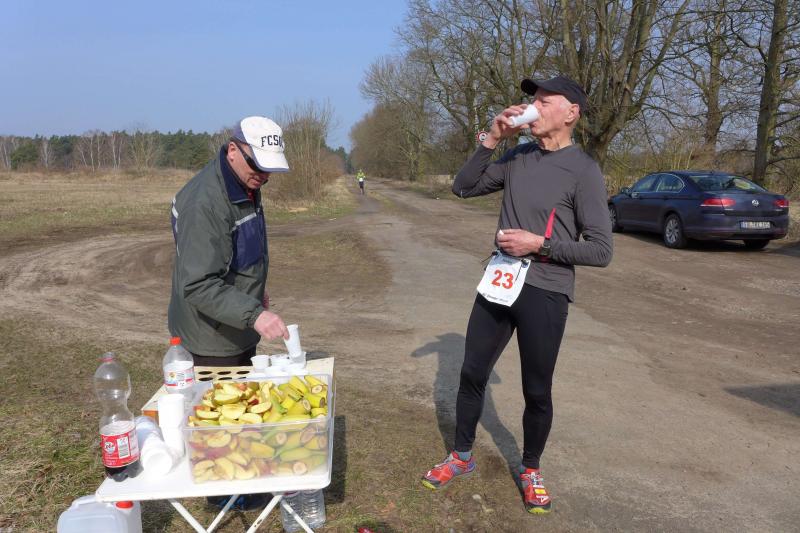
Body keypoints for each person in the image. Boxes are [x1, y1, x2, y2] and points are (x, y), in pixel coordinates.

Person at [420, 76, 613, 514]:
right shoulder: (518, 156)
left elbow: (602, 250)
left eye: (545, 101)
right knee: (472, 372)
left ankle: (530, 469)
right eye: (533, 100)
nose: (534, 107)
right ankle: (461, 456)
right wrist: (492, 138)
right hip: (499, 282)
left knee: (536, 389)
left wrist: (538, 244)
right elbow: (463, 187)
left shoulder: (583, 170)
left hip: (546, 290)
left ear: (571, 113)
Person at [168, 115, 290, 510]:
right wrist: (254, 315)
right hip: (211, 335)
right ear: (233, 150)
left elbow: (239, 251)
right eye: (258, 166)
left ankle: (245, 479)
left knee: (243, 409)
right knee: (220, 419)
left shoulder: (245, 182)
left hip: (236, 321)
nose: (264, 177)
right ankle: (225, 496)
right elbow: (198, 284)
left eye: (270, 170)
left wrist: (255, 292)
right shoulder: (205, 202)